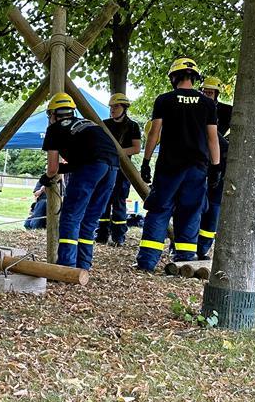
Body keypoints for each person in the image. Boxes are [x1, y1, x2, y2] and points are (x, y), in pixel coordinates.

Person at [134, 57, 221, 272]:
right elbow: (213, 139)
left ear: (174, 77)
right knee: (191, 212)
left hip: (169, 167)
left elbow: (154, 133)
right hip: (197, 168)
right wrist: (216, 167)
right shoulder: (208, 104)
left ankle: (146, 263)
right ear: (194, 78)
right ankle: (184, 262)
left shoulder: (164, 100)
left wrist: (145, 162)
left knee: (159, 210)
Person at [40, 93, 119, 269]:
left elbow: (53, 168)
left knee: (70, 216)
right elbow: (81, 160)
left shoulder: (54, 129)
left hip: (91, 165)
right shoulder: (88, 124)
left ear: (53, 114)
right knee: (90, 219)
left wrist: (47, 177)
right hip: (113, 166)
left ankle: (66, 266)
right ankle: (83, 265)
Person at [95, 93, 143, 246]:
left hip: (123, 170)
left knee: (119, 202)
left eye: (116, 106)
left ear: (124, 108)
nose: (112, 110)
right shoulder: (104, 124)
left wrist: (118, 152)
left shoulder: (133, 126)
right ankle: (101, 234)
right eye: (111, 107)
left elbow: (136, 148)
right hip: (106, 168)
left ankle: (118, 237)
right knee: (103, 200)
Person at [197, 76, 232, 258]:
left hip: (219, 166)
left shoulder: (227, 111)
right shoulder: (194, 108)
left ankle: (203, 248)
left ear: (217, 94)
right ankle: (184, 244)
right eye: (205, 92)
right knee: (193, 205)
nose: (207, 95)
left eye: (210, 92)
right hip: (198, 162)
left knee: (214, 208)